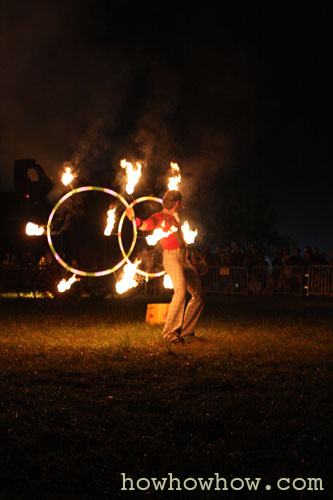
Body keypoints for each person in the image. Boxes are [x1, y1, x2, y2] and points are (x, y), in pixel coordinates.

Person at [126, 190, 204, 344]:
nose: (181, 205)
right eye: (180, 202)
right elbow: (146, 225)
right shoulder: (160, 217)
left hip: (184, 259)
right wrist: (134, 218)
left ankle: (187, 331)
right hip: (172, 258)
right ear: (177, 203)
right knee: (180, 292)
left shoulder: (174, 218)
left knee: (198, 295)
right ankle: (169, 334)